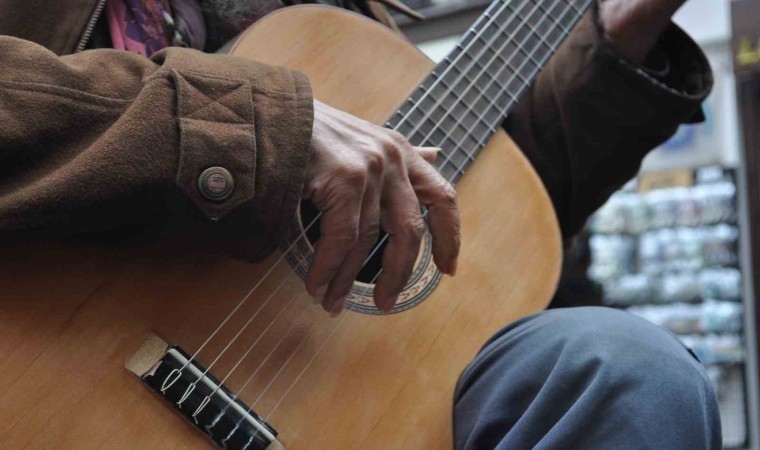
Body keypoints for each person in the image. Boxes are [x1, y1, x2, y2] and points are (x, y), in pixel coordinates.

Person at [0, 0, 720, 448]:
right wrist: (268, 128)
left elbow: (485, 219)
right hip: (59, 373)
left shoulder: (349, 17)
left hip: (337, 405)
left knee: (629, 372)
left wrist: (618, 35)